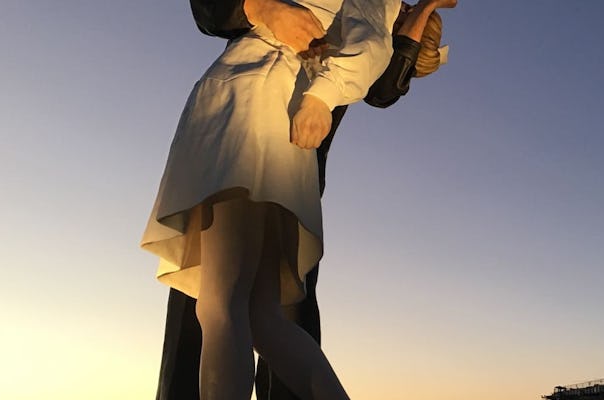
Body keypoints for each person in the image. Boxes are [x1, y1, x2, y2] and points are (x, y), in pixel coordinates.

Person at [149, 0, 455, 399]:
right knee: (262, 317)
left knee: (219, 302)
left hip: (254, 108)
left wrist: (320, 98)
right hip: (279, 124)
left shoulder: (360, 35)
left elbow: (377, 58)